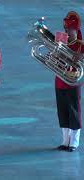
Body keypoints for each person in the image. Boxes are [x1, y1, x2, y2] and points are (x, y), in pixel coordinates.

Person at [56, 11, 84, 152]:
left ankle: (74, 142)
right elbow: (54, 59)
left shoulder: (81, 45)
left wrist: (81, 56)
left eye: (69, 28)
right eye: (66, 27)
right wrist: (55, 55)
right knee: (62, 110)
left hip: (73, 80)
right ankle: (65, 140)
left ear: (76, 29)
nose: (66, 30)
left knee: (74, 110)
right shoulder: (60, 40)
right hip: (60, 79)